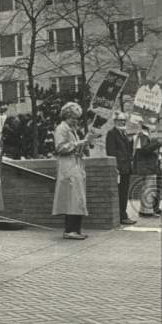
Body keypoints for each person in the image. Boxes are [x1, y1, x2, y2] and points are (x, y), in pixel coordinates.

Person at [52, 101, 100, 240]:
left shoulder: (71, 129)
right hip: (68, 166)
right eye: (73, 118)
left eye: (76, 118)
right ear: (67, 116)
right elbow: (60, 147)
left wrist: (85, 142)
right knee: (72, 197)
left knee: (78, 197)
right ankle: (70, 230)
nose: (75, 121)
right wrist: (77, 143)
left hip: (75, 164)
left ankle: (76, 229)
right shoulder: (62, 129)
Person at [104, 113, 135, 225]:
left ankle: (123, 214)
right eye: (120, 120)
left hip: (126, 168)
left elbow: (128, 151)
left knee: (124, 192)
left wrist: (131, 141)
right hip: (119, 168)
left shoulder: (124, 134)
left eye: (124, 120)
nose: (122, 122)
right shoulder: (112, 133)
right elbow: (111, 152)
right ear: (115, 121)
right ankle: (122, 216)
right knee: (120, 193)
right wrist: (115, 167)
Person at [132, 123, 162, 217]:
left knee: (148, 188)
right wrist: (158, 143)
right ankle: (147, 212)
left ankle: (145, 210)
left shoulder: (143, 136)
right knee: (148, 188)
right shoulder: (144, 136)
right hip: (147, 166)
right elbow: (144, 150)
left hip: (148, 166)